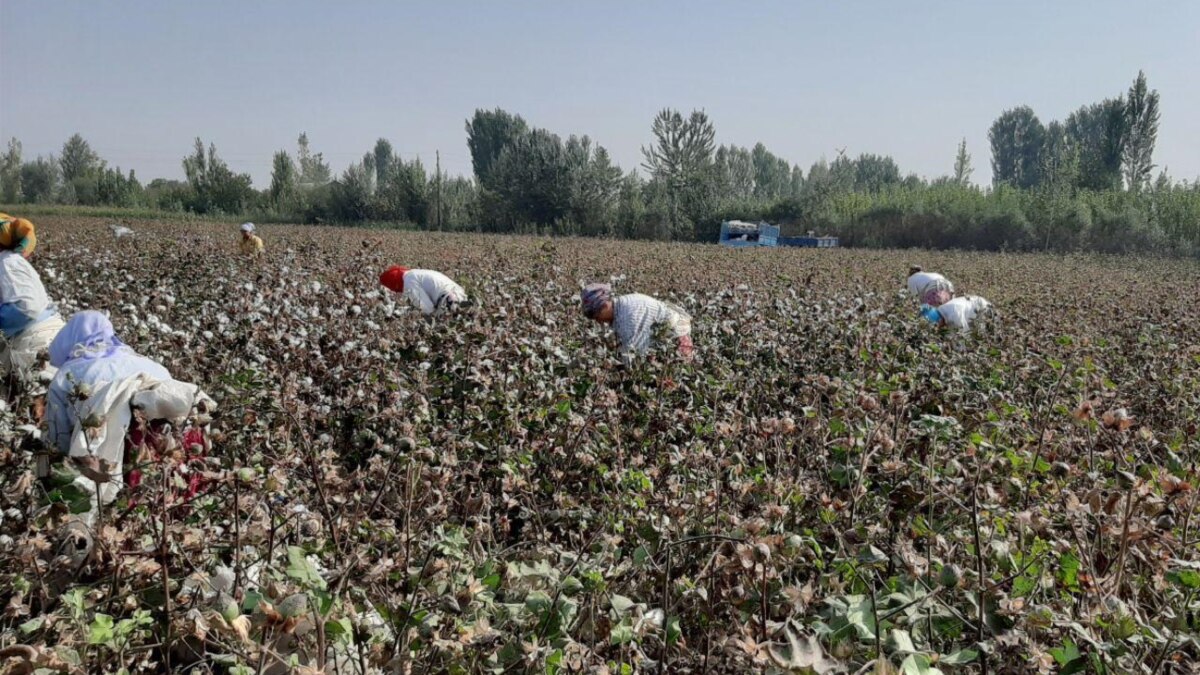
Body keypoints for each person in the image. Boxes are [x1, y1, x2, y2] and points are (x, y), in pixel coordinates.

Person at [45, 311, 212, 514]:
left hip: (110, 455)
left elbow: (58, 436)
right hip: (165, 449)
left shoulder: (67, 374)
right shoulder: (151, 365)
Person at [580, 283, 694, 362]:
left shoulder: (630, 317)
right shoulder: (618, 308)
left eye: (595, 315)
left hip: (677, 341)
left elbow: (634, 356)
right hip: (658, 340)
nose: (596, 320)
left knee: (672, 385)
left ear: (604, 305)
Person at [0, 250, 65, 380]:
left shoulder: (6, 262)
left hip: (36, 342)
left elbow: (27, 307)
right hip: (33, 339)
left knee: (40, 393)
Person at [379, 266, 468, 316]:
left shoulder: (409, 281)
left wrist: (404, 313)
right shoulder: (414, 273)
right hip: (460, 295)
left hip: (448, 302)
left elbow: (427, 308)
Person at [921, 295, 994, 332]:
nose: (937, 327)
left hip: (983, 308)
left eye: (937, 325)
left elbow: (964, 334)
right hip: (974, 303)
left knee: (981, 333)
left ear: (939, 320)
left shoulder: (955, 316)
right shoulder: (943, 309)